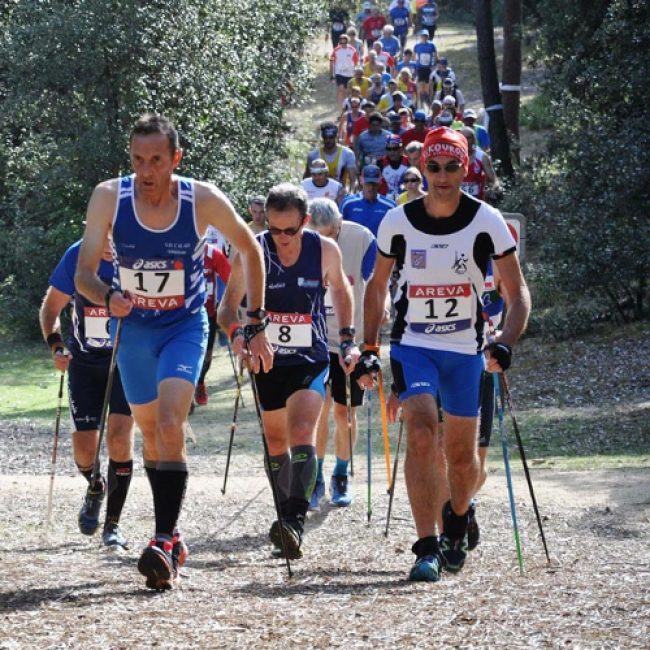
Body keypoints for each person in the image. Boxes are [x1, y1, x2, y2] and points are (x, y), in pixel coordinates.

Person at [74, 113, 273, 590]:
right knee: (150, 435)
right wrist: (107, 295)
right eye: (138, 159)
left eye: (156, 160)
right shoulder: (108, 197)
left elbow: (250, 250)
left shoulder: (200, 199)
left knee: (169, 422)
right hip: (135, 330)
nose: (146, 170)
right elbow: (83, 273)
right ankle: (175, 537)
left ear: (175, 159)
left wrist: (251, 319)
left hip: (183, 326)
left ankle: (162, 539)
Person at [358, 126, 530, 583]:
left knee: (459, 455)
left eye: (452, 166)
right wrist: (371, 348)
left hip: (466, 351)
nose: (442, 175)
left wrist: (505, 342)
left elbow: (518, 294)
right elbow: (377, 288)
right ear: (423, 169)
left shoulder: (486, 220)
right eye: (433, 166)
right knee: (418, 431)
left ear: (466, 167)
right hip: (414, 346)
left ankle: (457, 515)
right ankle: (426, 547)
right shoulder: (397, 221)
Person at [218, 184, 360, 559]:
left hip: (309, 358)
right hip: (266, 362)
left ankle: (295, 520)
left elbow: (344, 292)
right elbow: (226, 309)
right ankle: (283, 513)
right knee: (276, 443)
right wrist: (237, 335)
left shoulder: (324, 250)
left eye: (290, 230)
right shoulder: (253, 250)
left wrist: (347, 339)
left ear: (305, 221)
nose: (281, 239)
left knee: (302, 432)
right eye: (275, 229)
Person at [39, 237, 134, 549]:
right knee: (83, 450)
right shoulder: (78, 255)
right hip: (84, 363)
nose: (109, 243)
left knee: (119, 438)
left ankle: (113, 527)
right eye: (102, 235)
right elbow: (51, 308)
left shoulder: (138, 255)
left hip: (126, 362)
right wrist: (56, 346)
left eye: (114, 235)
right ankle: (96, 485)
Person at [307, 198, 376, 508]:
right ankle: (316, 476)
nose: (325, 242)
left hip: (348, 341)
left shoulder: (361, 238)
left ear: (339, 225)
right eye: (318, 235)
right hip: (311, 341)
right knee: (317, 410)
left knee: (343, 412)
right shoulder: (298, 239)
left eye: (330, 235)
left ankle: (341, 474)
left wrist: (380, 314)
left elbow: (378, 283)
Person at [194, 243, 232, 406]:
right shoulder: (175, 249)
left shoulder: (213, 253)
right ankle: (186, 395)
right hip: (182, 314)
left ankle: (200, 382)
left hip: (208, 313)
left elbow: (230, 279)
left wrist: (227, 303)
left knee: (206, 355)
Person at [341, 164, 395, 237]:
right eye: (368, 183)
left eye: (374, 184)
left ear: (380, 182)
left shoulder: (390, 206)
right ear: (361, 181)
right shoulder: (348, 204)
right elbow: (338, 229)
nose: (371, 187)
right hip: (354, 247)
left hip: (379, 247)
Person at [305, 122, 358, 193]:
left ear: (336, 137)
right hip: (318, 193)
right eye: (325, 138)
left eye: (331, 137)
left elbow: (353, 180)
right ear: (322, 138)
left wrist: (351, 195)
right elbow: (306, 178)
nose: (328, 140)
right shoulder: (313, 155)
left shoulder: (347, 154)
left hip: (339, 193)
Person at [459, 127, 499, 201]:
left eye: (469, 138)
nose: (466, 141)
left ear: (474, 140)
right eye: (463, 138)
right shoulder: (454, 156)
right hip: (457, 200)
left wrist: (493, 188)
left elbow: (494, 179)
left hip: (477, 200)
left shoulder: (482, 156)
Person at [330, 33, 360, 112]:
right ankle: (340, 110)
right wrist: (331, 75)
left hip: (350, 74)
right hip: (339, 73)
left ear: (348, 41)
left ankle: (348, 108)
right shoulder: (336, 50)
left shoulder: (352, 50)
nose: (343, 44)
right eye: (341, 42)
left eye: (344, 42)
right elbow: (331, 62)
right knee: (340, 90)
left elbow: (357, 62)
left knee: (348, 92)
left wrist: (357, 72)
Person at [378, 134, 410, 199]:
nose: (392, 152)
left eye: (395, 149)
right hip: (385, 198)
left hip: (405, 196)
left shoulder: (408, 161)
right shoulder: (380, 163)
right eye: (389, 149)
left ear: (400, 149)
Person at [414, 29, 437, 108]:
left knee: (427, 87)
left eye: (426, 36)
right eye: (423, 36)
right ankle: (420, 104)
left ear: (428, 37)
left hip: (428, 68)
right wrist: (415, 67)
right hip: (420, 68)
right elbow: (414, 57)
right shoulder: (417, 46)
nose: (424, 37)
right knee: (420, 86)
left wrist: (434, 65)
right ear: (421, 37)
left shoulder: (432, 45)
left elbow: (435, 55)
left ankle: (428, 103)